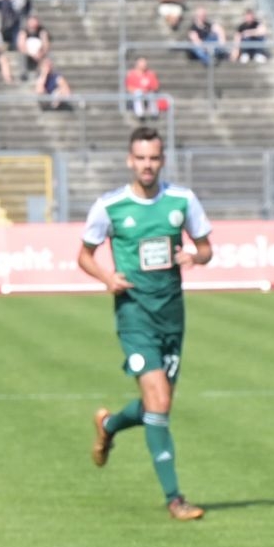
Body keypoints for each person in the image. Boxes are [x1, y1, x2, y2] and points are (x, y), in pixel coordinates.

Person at [80, 127, 215, 522]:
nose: (147, 165)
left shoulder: (182, 200)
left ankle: (109, 425)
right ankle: (175, 499)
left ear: (162, 160)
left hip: (171, 316)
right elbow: (84, 255)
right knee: (159, 402)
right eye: (140, 158)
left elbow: (206, 249)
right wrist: (107, 278)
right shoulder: (110, 207)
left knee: (159, 404)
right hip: (134, 315)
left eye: (154, 158)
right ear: (130, 160)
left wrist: (193, 257)